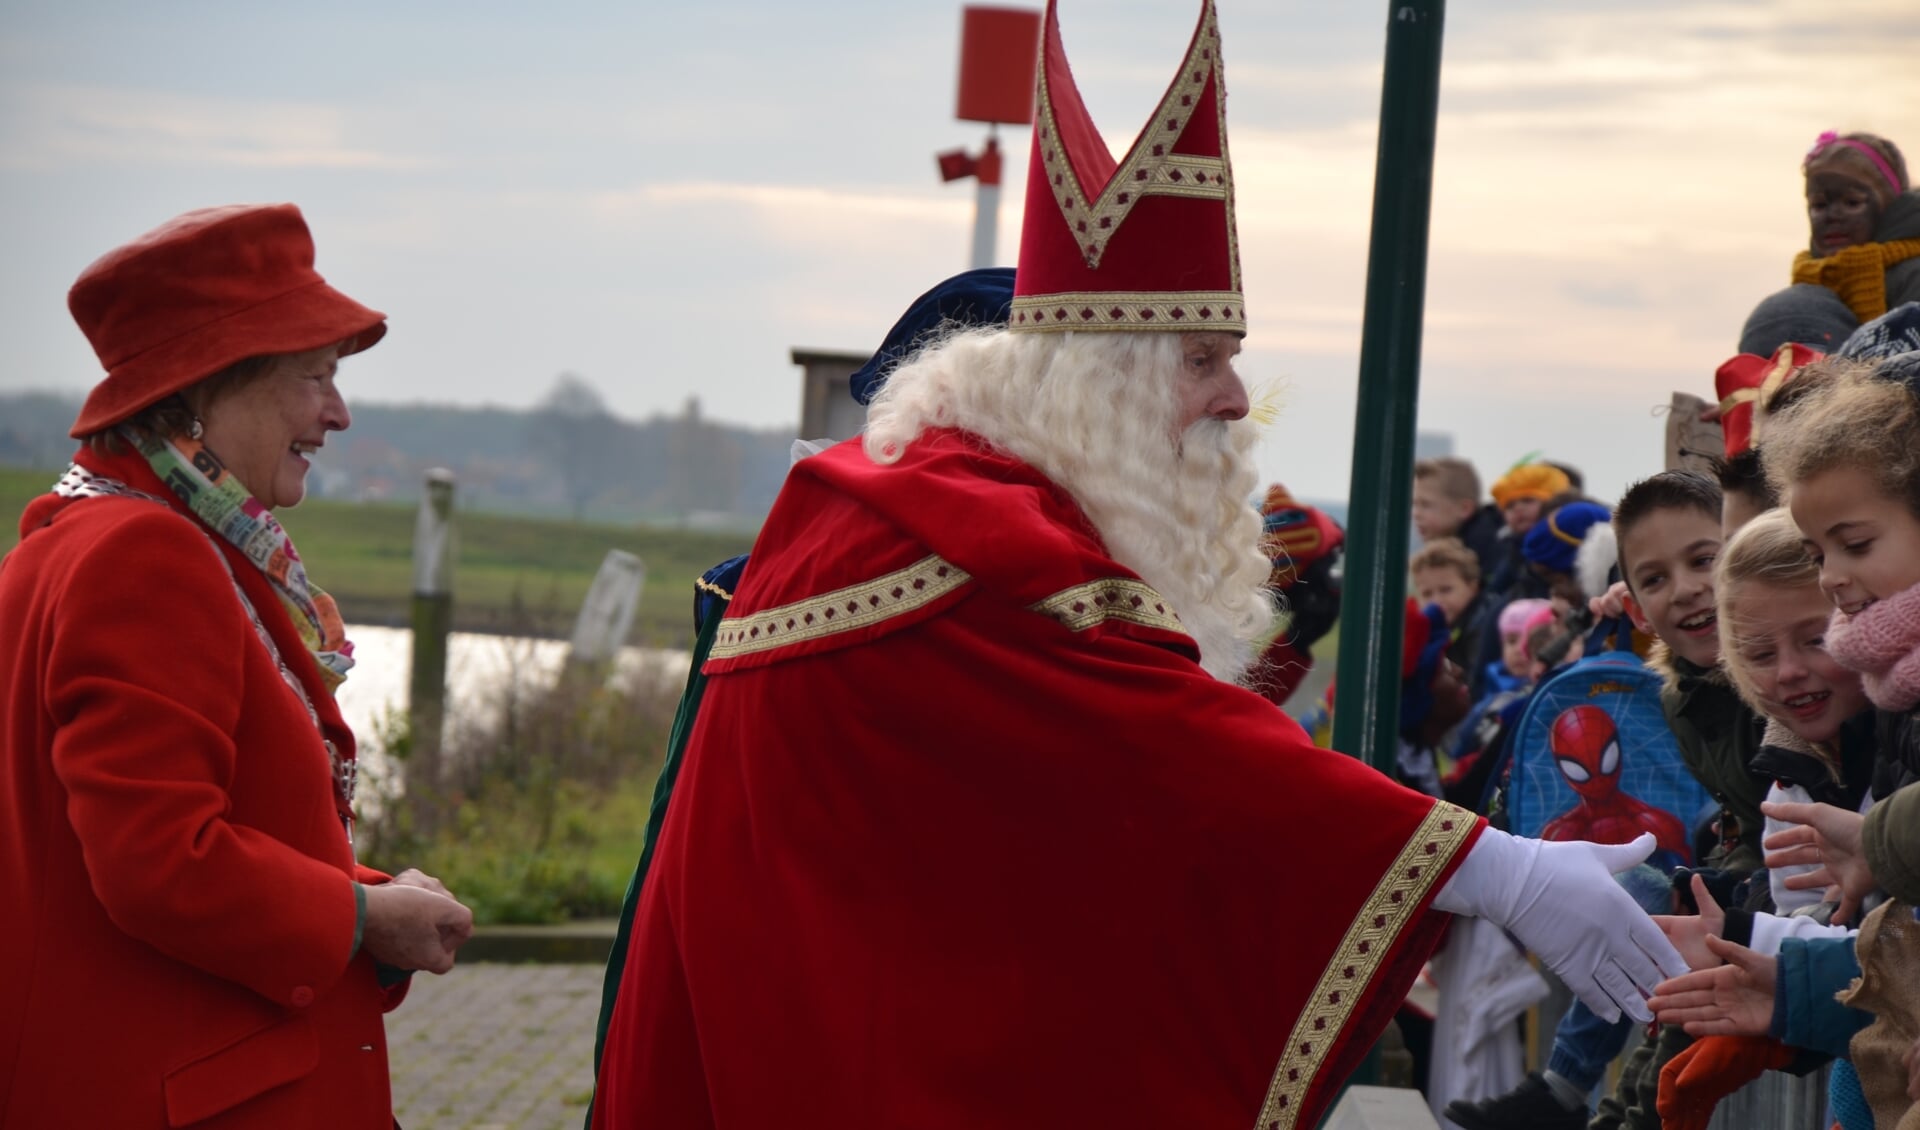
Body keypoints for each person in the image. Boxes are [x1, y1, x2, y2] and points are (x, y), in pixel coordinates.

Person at [588, 4, 1686, 1126]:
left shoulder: (950, 508)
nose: (1229, 396)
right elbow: (1172, 746)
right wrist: (1491, 868)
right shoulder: (958, 530)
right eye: (1203, 358)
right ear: (1101, 385)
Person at [0, 204, 474, 1129]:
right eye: (316, 377)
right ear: (207, 389)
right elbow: (159, 862)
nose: (337, 414)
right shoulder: (147, 555)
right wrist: (362, 922)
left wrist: (365, 896)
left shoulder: (75, 537)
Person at [1449, 471, 1768, 1130]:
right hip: (1751, 885)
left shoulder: (1770, 675)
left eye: (1704, 560)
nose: (1683, 589)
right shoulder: (1688, 690)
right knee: (1653, 916)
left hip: (1795, 909)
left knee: (1666, 924)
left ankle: (1585, 1101)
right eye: (1653, 580)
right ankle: (1594, 1105)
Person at [1791, 130, 1920, 324]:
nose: (1832, 217)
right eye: (1819, 205)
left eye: (1851, 203)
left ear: (1893, 208)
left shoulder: (1913, 277)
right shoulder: (1809, 280)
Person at [1413, 456, 1501, 581]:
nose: (1416, 514)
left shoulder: (1484, 555)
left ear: (1465, 509)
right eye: (1414, 504)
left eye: (1426, 505)